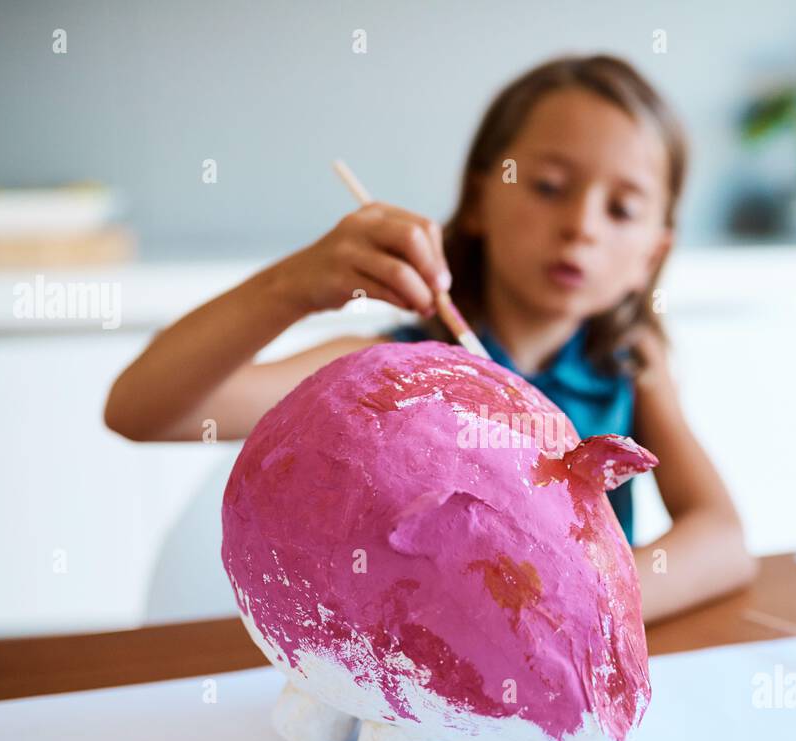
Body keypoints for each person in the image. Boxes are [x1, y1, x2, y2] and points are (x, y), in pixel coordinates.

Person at [105, 54, 757, 623]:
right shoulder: (395, 368)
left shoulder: (630, 368)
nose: (582, 225)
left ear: (652, 254)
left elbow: (724, 540)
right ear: (478, 199)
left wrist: (578, 603)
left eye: (622, 208)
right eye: (550, 186)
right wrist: (293, 286)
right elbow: (143, 411)